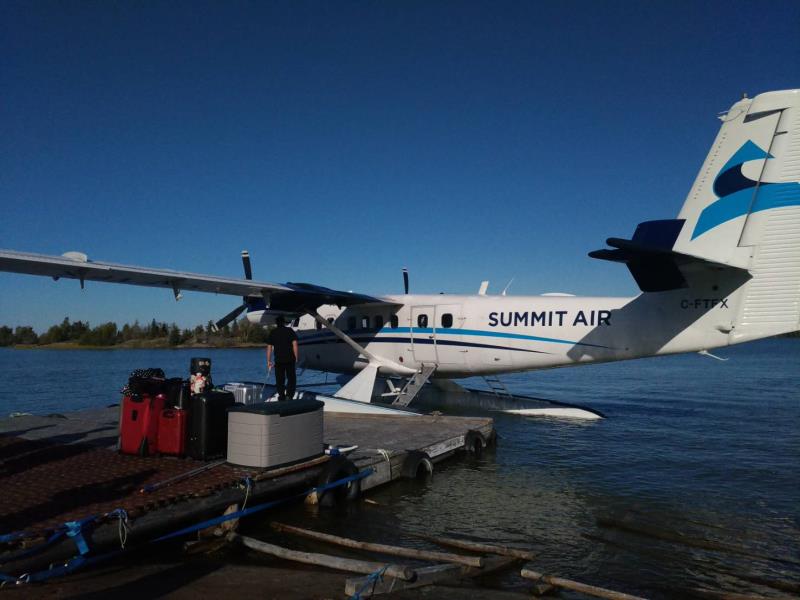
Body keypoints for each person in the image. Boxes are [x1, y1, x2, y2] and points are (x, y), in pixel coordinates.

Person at [266, 315, 299, 401]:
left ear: (276, 323)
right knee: (291, 378)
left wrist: (268, 361)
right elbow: (294, 345)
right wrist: (296, 357)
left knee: (280, 380)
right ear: (284, 322)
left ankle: (281, 396)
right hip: (290, 359)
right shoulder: (290, 331)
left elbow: (269, 347)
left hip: (278, 360)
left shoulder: (273, 332)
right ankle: (289, 396)